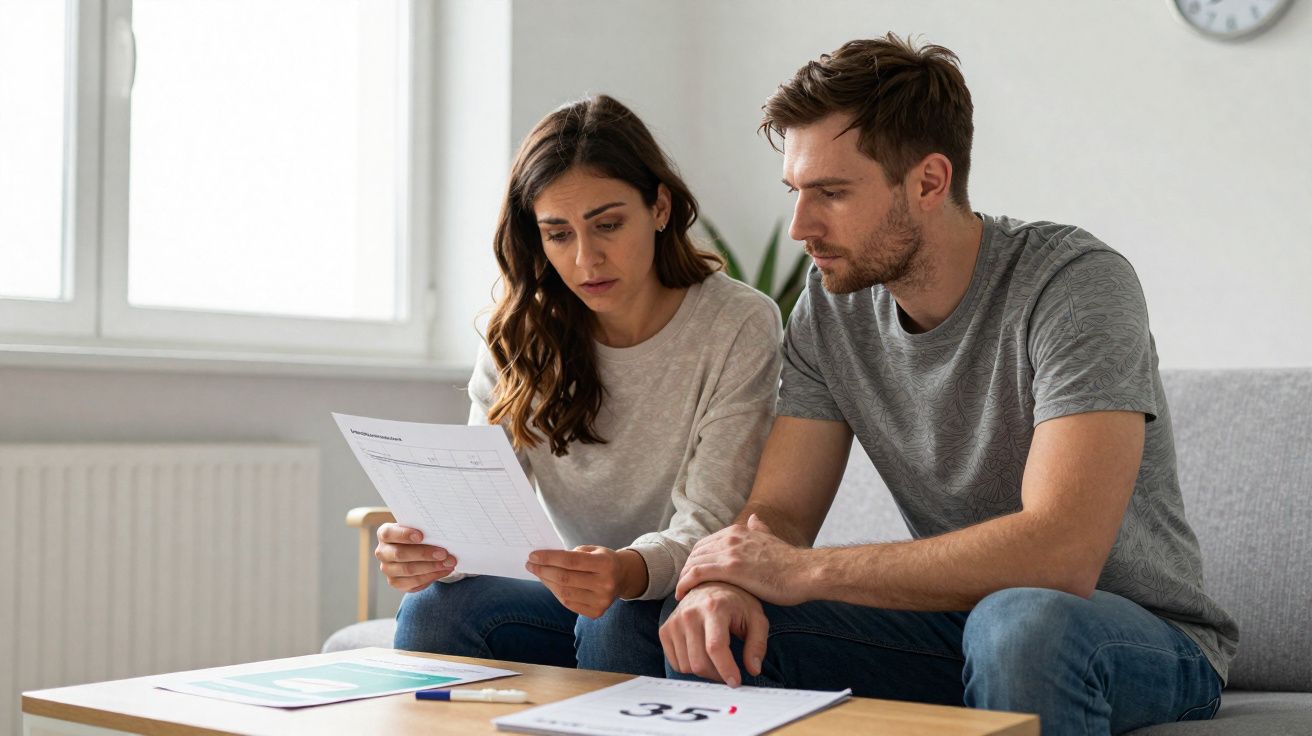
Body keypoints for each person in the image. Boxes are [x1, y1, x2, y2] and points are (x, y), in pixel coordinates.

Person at [658, 34, 1237, 735]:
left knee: (1022, 625)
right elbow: (778, 514)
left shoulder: (1074, 284)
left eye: (832, 193)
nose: (800, 228)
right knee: (707, 627)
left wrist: (804, 572)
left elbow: (1061, 554)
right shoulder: (832, 306)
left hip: (1130, 634)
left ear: (930, 182)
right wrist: (724, 579)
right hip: (955, 628)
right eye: (796, 193)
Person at [373, 94, 782, 676]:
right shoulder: (517, 331)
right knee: (432, 610)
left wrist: (624, 572)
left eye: (608, 224)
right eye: (558, 234)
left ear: (660, 207)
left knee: (615, 619)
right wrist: (431, 551)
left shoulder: (737, 323)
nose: (587, 258)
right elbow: (483, 512)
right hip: (573, 591)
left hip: (677, 587)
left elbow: (715, 523)